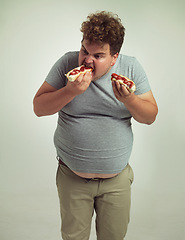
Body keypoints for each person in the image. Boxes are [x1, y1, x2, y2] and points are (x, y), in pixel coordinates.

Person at [33, 11, 158, 240]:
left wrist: (129, 99)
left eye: (98, 55)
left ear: (114, 57)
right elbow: (39, 108)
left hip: (116, 180)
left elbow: (150, 116)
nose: (87, 61)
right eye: (84, 51)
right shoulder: (67, 64)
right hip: (72, 177)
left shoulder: (130, 68)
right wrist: (70, 91)